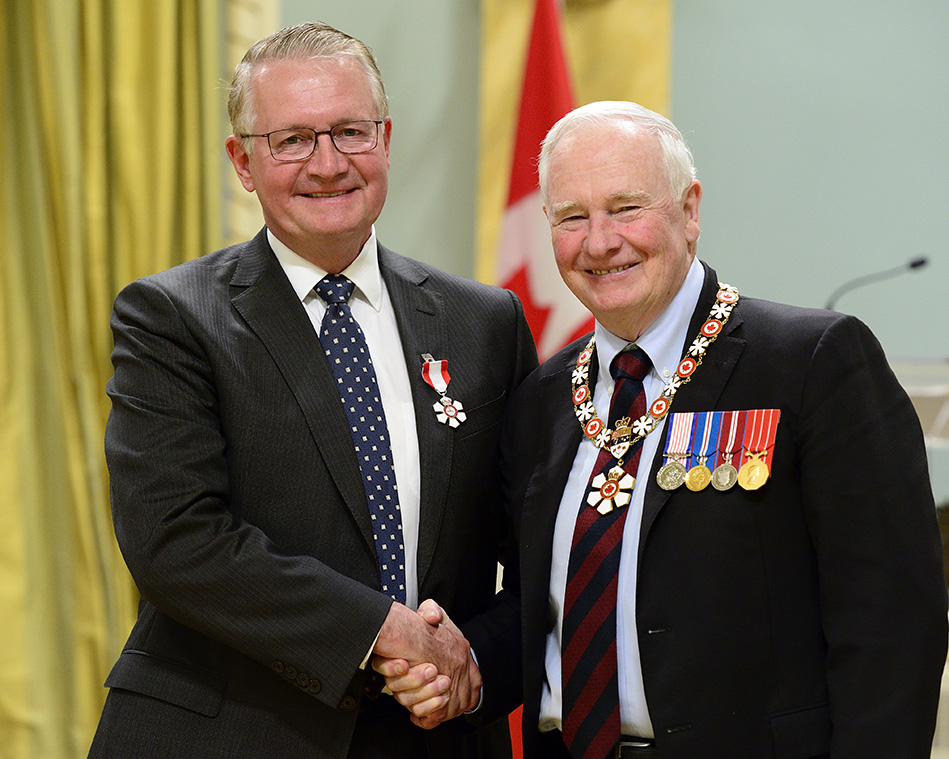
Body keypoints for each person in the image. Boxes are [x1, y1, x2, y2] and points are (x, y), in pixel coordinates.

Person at [377, 101, 948, 759]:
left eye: (625, 208)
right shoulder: (541, 399)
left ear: (689, 209)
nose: (599, 241)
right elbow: (548, 617)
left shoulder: (807, 363)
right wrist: (465, 664)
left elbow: (890, 622)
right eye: (571, 217)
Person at [87, 22, 536, 759]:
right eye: (291, 139)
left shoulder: (483, 321)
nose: (327, 164)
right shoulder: (172, 317)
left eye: (350, 132)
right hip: (230, 732)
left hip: (434, 734)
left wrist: (473, 667)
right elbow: (174, 540)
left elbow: (535, 555)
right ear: (243, 160)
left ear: (385, 138)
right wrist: (379, 629)